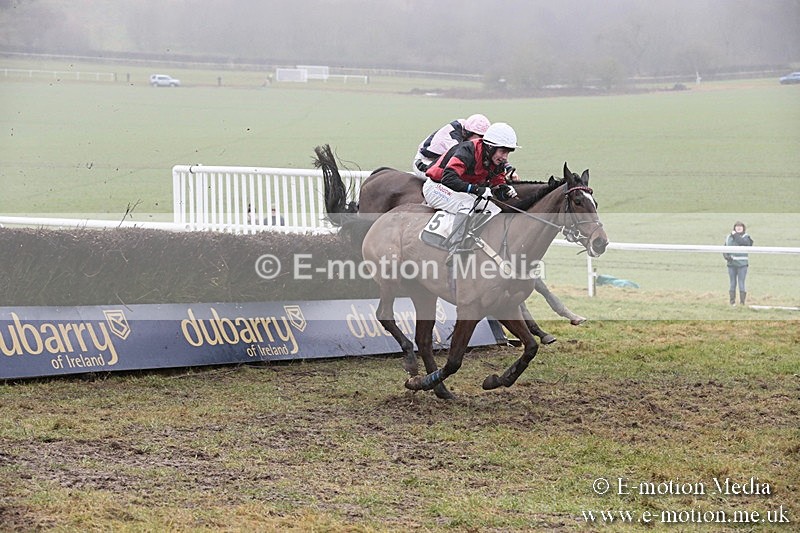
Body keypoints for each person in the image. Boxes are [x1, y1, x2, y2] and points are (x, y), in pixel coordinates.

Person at [423, 122, 519, 263]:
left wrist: (504, 190)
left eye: (508, 152)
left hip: (456, 189)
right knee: (467, 204)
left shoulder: (495, 160)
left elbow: (497, 184)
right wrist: (477, 190)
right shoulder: (468, 150)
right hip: (436, 186)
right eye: (503, 151)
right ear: (490, 147)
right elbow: (448, 178)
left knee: (494, 209)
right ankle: (455, 248)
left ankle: (473, 239)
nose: (505, 157)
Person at [411, 114, 491, 179]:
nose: (481, 140)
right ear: (468, 133)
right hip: (425, 162)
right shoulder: (453, 142)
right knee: (450, 179)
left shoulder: (465, 126)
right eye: (479, 136)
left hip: (440, 158)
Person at [723, 221, 753, 306]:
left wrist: (735, 235)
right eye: (737, 226)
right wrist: (726, 257)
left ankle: (742, 302)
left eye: (740, 226)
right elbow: (724, 248)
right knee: (732, 283)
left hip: (742, 264)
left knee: (741, 283)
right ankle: (732, 302)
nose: (739, 228)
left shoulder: (746, 237)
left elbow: (743, 243)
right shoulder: (729, 237)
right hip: (731, 264)